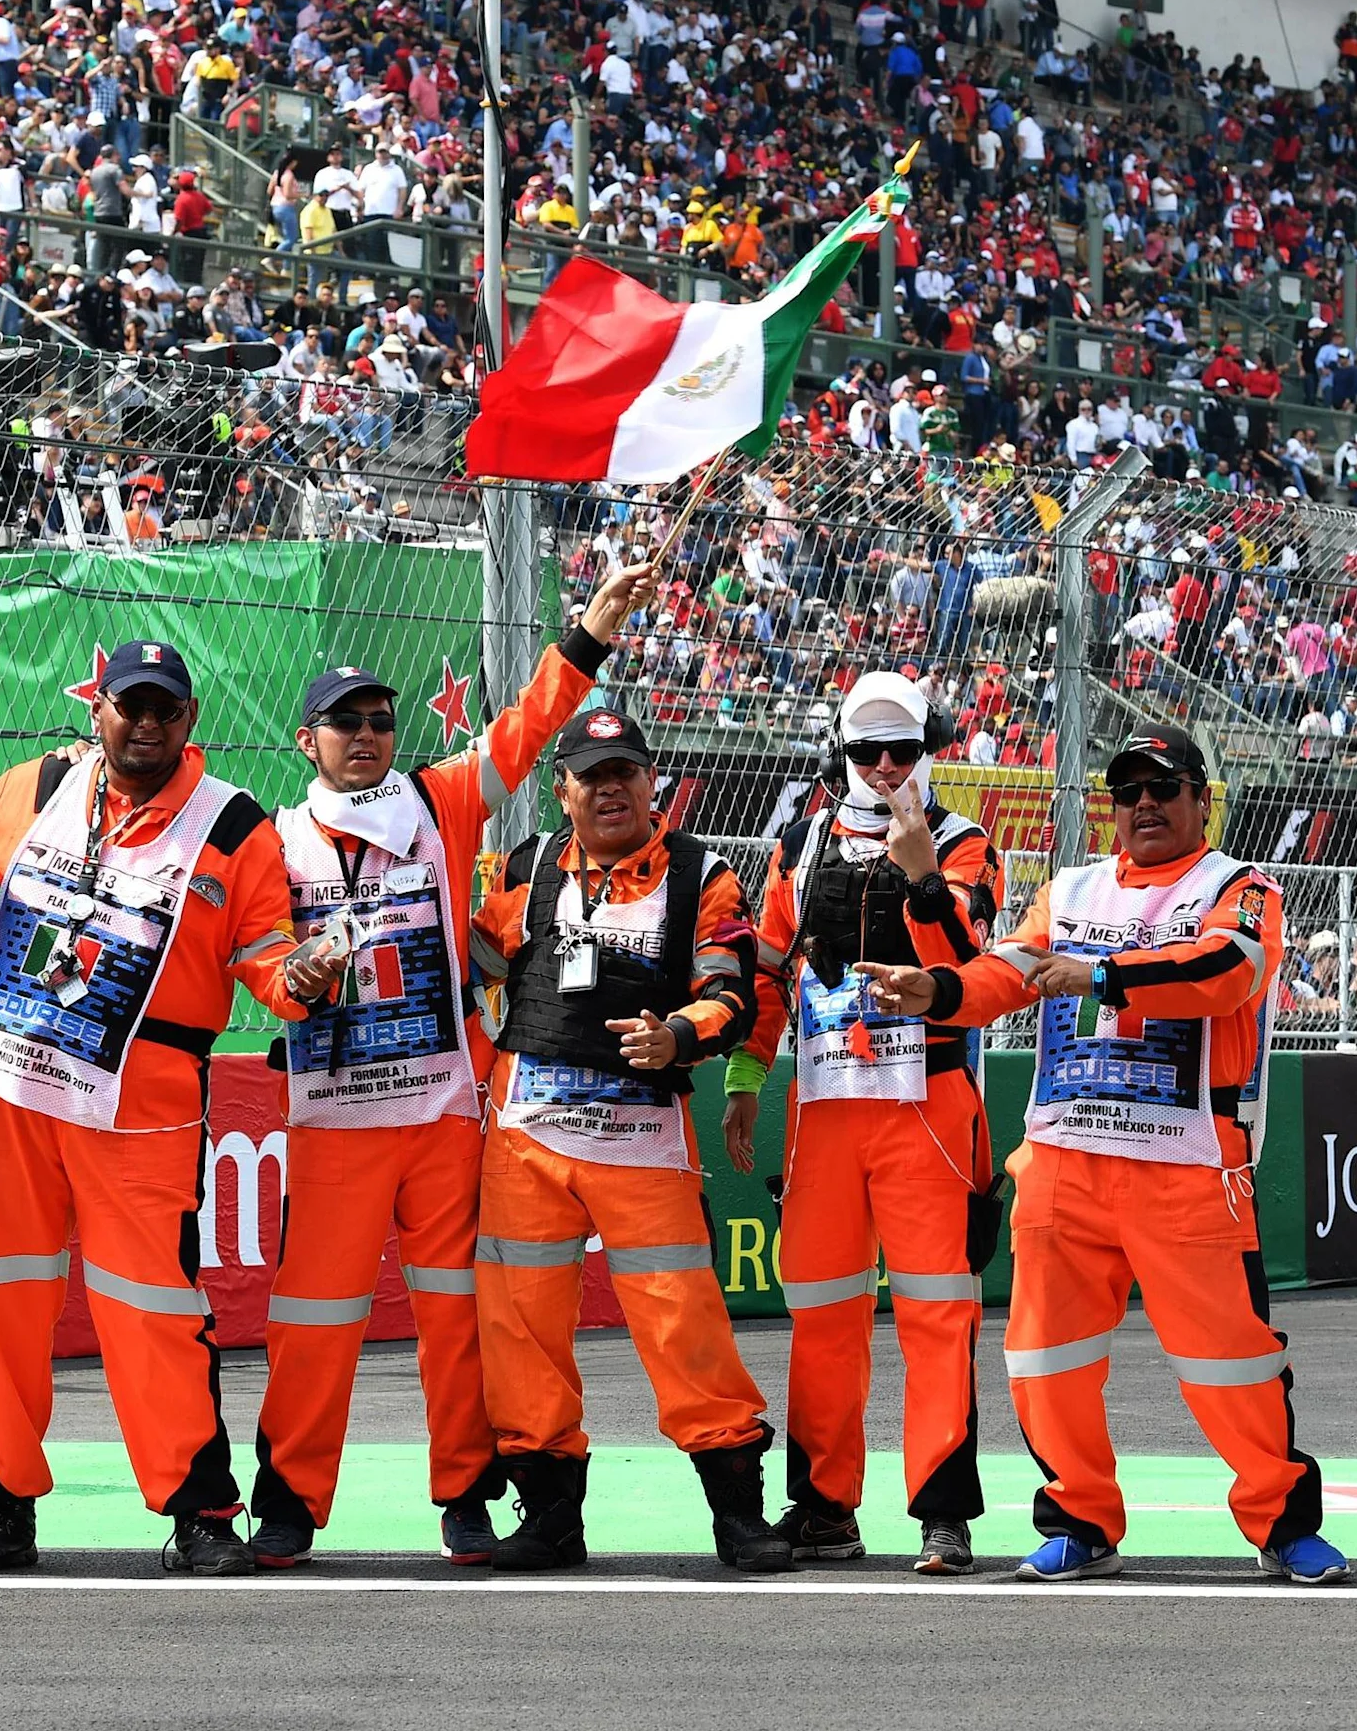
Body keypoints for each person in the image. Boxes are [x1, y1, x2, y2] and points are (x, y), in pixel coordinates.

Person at [245, 558, 662, 1567]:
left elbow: (522, 731)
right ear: (308, 741)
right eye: (345, 724)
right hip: (336, 1114)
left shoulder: (438, 802)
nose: (366, 737)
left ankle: (466, 1492)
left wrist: (590, 635)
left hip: (439, 1108)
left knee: (454, 1314)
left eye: (380, 720)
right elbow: (255, 960)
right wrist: (292, 979)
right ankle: (292, 1500)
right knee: (312, 1320)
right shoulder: (274, 838)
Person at [856, 728, 1344, 1587]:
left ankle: (1280, 1522)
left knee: (1235, 1358)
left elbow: (1228, 969)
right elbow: (1004, 972)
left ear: (1203, 800)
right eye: (1127, 792)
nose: (1144, 804)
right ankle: (1080, 1518)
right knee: (1046, 1359)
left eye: (1164, 788)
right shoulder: (1069, 889)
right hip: (1063, 1160)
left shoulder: (1240, 887)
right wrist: (940, 990)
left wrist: (1102, 975)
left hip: (1190, 1161)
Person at [0, 641, 307, 1578]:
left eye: (163, 710)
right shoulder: (42, 782)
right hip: (12, 1084)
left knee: (152, 1308)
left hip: (143, 1099)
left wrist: (297, 979)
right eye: (127, 705)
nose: (144, 723)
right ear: (96, 710)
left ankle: (199, 1512)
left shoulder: (233, 826)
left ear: (189, 722)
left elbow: (266, 955)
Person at [467, 708, 788, 1575]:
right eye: (591, 774)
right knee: (519, 1328)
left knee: (684, 1326)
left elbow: (730, 990)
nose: (611, 788)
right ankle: (548, 1518)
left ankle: (738, 1516)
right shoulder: (525, 867)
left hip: (642, 1141)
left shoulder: (702, 876)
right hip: (524, 1139)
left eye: (626, 772)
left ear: (654, 783)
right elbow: (480, 965)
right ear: (559, 788)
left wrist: (678, 1036)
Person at [735, 672, 998, 1574]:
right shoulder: (800, 844)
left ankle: (943, 1514)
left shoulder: (966, 843)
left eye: (904, 751)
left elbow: (974, 969)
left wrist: (923, 877)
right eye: (866, 752)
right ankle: (822, 1507)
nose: (885, 768)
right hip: (825, 1105)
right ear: (838, 754)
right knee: (821, 1314)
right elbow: (768, 976)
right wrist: (741, 1081)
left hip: (929, 1101)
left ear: (930, 749)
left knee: (939, 1312)